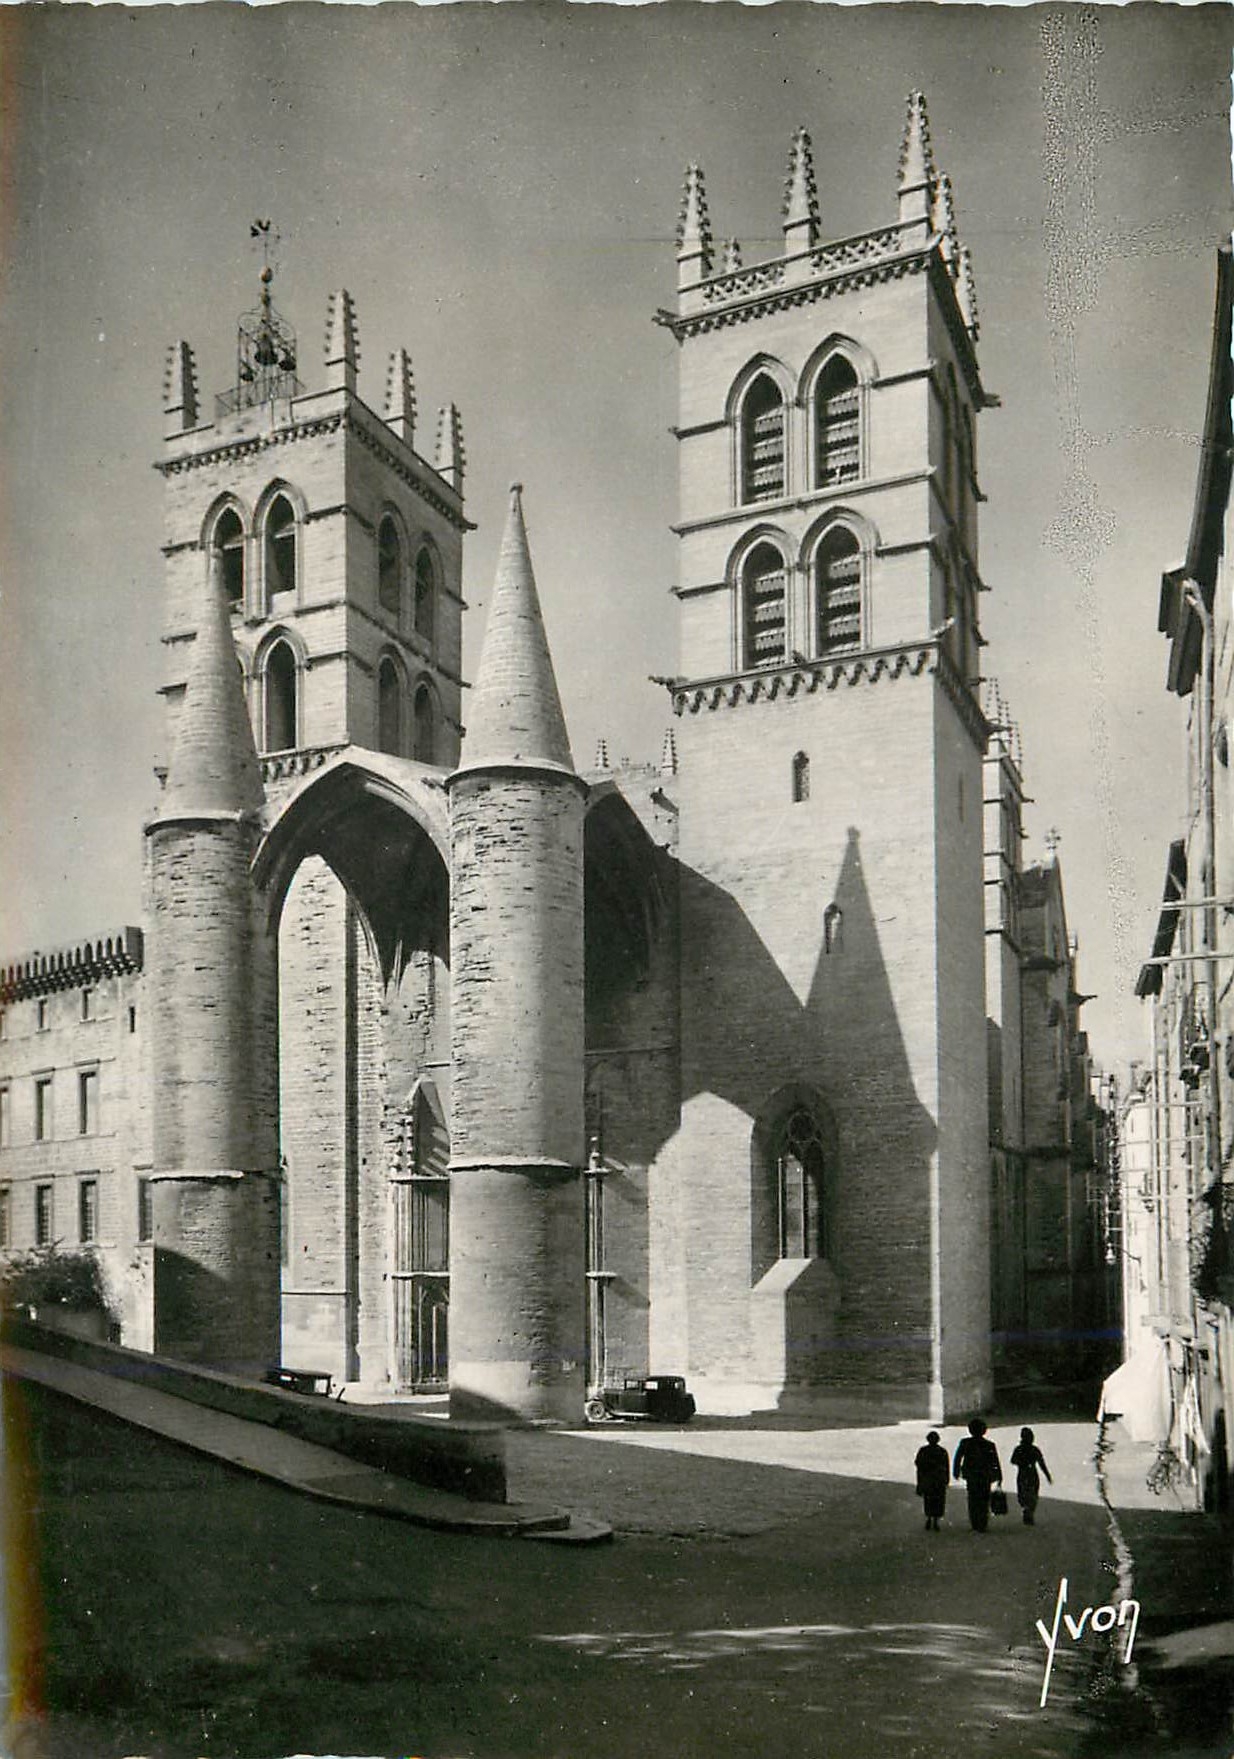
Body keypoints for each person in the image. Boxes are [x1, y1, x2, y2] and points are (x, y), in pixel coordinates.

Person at [952, 1417, 1003, 1532]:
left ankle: (975, 1522)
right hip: (985, 1475)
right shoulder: (989, 1445)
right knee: (984, 1499)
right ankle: (983, 1523)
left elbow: (958, 1457)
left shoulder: (965, 1443)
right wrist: (999, 1475)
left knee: (973, 1499)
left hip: (971, 1475)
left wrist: (956, 1471)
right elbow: (995, 1461)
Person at [1010, 1426, 1053, 1525]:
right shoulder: (1034, 1449)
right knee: (1033, 1494)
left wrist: (1021, 1463)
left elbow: (1013, 1460)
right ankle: (1029, 1512)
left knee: (1023, 1493)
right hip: (1032, 1474)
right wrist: (1047, 1475)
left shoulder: (1019, 1449)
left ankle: (1026, 1510)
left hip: (1022, 1473)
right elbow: (1041, 1463)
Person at [914, 1429, 949, 1531]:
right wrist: (946, 1479)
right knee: (938, 1500)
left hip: (927, 1478)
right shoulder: (942, 1451)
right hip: (939, 1479)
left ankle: (929, 1518)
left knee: (928, 1500)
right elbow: (946, 1466)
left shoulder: (923, 1450)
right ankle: (935, 1521)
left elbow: (918, 1464)